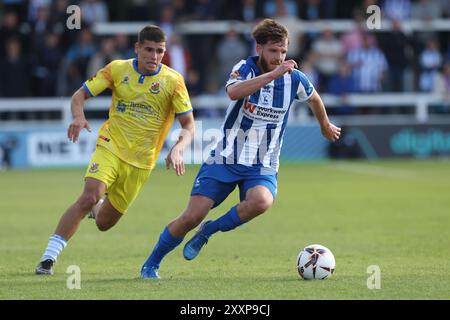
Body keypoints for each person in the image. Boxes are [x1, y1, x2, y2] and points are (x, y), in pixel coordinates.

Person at [140, 19, 341, 279]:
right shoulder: (244, 68)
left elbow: (313, 97)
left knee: (261, 202)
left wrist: (324, 124)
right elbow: (233, 93)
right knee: (191, 216)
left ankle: (208, 231)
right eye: (273, 51)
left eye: (283, 52)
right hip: (226, 158)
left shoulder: (295, 79)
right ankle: (151, 264)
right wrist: (272, 75)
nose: (279, 58)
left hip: (263, 163)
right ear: (259, 48)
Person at [35, 25, 194, 275]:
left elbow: (189, 124)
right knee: (88, 196)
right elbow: (79, 96)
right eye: (149, 50)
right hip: (111, 145)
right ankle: (48, 258)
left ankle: (97, 205)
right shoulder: (118, 69)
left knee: (104, 223)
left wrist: (179, 148)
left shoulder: (173, 81)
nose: (154, 56)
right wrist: (78, 117)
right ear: (137, 48)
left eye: (159, 51)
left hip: (141, 163)